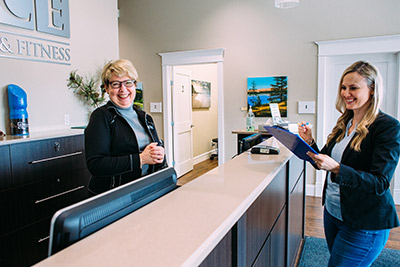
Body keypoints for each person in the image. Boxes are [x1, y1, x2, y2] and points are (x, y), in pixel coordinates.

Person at [298, 61, 400, 266]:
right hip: (334, 213)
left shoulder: (388, 127)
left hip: (364, 222)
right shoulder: (345, 122)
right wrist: (309, 142)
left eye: (353, 88)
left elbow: (379, 183)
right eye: (343, 87)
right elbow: (324, 160)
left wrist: (336, 168)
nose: (346, 93)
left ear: (372, 90)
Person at [84, 59, 166, 195]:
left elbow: (154, 153)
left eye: (128, 82)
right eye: (116, 84)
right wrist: (141, 159)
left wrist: (160, 155)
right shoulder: (101, 117)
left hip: (145, 189)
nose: (123, 89)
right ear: (107, 88)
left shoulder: (145, 118)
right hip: (114, 195)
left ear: (135, 85)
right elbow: (96, 165)